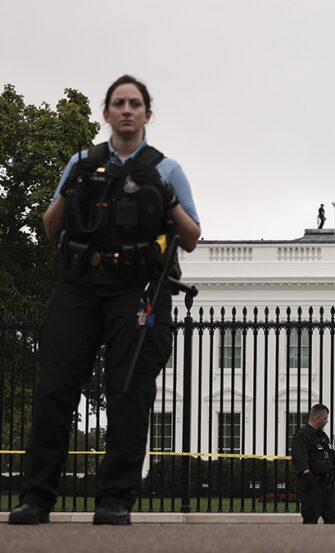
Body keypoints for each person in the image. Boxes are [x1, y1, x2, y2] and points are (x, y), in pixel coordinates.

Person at [9, 75, 201, 526]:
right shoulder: (81, 162)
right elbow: (50, 229)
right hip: (78, 285)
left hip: (135, 290)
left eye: (136, 103)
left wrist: (168, 198)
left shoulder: (167, 168)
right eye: (119, 103)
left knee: (130, 393)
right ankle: (36, 499)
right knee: (55, 391)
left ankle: (115, 499)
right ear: (107, 113)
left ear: (147, 115)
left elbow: (191, 237)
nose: (127, 110)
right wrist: (71, 184)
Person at [291, 404, 335, 524]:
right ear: (317, 418)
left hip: (327, 485)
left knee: (333, 516)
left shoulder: (322, 436)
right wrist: (307, 474)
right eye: (325, 418)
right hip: (312, 484)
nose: (327, 421)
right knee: (310, 519)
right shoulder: (302, 435)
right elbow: (298, 458)